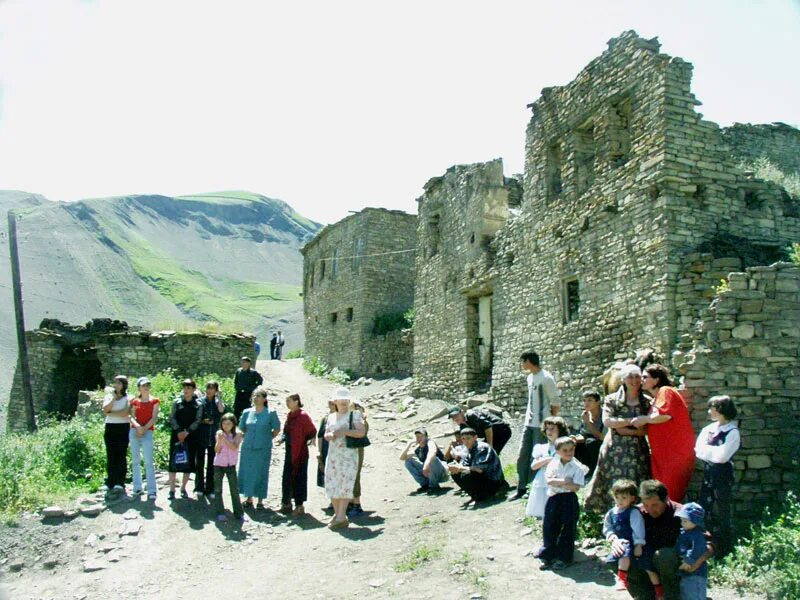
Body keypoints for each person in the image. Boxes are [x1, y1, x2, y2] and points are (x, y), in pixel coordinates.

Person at [622, 480, 713, 600]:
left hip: (674, 568)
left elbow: (709, 544)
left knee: (664, 555)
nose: (650, 509)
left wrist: (695, 563)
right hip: (647, 565)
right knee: (620, 553)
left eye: (655, 505)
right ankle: (644, 595)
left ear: (665, 500)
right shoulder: (637, 513)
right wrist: (616, 542)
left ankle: (673, 596)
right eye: (646, 505)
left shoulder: (682, 515)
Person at [584, 364, 651, 513]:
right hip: (615, 451)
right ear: (623, 380)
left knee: (636, 483)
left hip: (637, 451)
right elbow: (608, 421)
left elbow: (648, 428)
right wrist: (633, 421)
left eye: (637, 377)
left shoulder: (646, 401)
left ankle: (637, 518)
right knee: (614, 483)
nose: (634, 380)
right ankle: (611, 518)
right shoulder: (612, 400)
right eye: (630, 377)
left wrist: (623, 429)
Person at [632, 364, 695, 503]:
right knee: (663, 491)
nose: (640, 380)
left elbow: (664, 416)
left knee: (671, 492)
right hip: (662, 453)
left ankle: (673, 522)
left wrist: (644, 419)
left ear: (656, 380)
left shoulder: (666, 391)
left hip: (674, 452)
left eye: (645, 377)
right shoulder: (655, 398)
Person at [511, 351, 561, 501]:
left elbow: (555, 402)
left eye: (523, 361)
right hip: (529, 422)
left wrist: (549, 422)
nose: (522, 365)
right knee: (523, 455)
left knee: (537, 456)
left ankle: (532, 489)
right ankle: (521, 487)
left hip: (541, 424)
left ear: (528, 361)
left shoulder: (546, 378)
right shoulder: (530, 378)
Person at [694, 395, 740, 557]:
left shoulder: (732, 432)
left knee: (722, 509)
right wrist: (713, 453)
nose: (709, 411)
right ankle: (705, 546)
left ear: (720, 410)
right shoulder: (709, 429)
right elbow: (698, 451)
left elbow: (723, 457)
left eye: (712, 408)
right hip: (709, 474)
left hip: (722, 475)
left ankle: (723, 548)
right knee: (705, 507)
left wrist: (710, 452)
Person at [603, 479, 663, 598]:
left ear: (632, 498)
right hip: (622, 543)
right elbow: (607, 527)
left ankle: (658, 590)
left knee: (648, 567)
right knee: (616, 557)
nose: (620, 501)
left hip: (634, 543)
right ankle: (623, 579)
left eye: (624, 498)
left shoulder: (633, 512)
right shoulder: (611, 513)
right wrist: (612, 537)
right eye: (617, 497)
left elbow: (638, 528)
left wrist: (638, 544)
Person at [537, 437, 586, 571]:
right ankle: (547, 555)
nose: (569, 452)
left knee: (568, 527)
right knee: (550, 525)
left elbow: (576, 487)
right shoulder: (553, 463)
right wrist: (565, 481)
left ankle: (564, 557)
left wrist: (559, 482)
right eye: (565, 450)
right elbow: (549, 481)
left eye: (571, 449)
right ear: (557, 451)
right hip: (554, 497)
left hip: (569, 498)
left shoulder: (577, 467)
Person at [324, 388, 366, 530]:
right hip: (334, 454)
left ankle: (341, 516)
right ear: (335, 402)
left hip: (348, 455)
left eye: (345, 401)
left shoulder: (355, 415)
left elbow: (361, 432)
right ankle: (338, 515)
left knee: (345, 483)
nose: (342, 403)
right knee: (332, 483)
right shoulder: (331, 417)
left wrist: (345, 431)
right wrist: (329, 436)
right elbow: (326, 433)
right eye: (340, 400)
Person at [238, 386, 281, 509]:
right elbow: (242, 428)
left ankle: (260, 500)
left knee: (261, 472)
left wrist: (267, 438)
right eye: (254, 396)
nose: (255, 398)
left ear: (264, 399)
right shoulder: (247, 412)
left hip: (263, 448)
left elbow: (276, 429)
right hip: (248, 447)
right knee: (248, 472)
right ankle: (249, 498)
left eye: (258, 396)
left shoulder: (270, 413)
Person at [447, 428, 508, 504]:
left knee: (466, 474)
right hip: (482, 478)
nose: (466, 441)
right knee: (455, 473)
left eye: (468, 438)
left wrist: (460, 468)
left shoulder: (482, 447)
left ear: (475, 437)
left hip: (493, 480)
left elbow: (479, 469)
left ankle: (482, 496)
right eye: (463, 439)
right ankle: (475, 496)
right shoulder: (470, 448)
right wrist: (455, 467)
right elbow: (465, 464)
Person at [280, 394, 317, 516]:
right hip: (289, 451)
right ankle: (286, 503)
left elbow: (312, 430)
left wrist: (306, 440)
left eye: (289, 401)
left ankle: (299, 505)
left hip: (300, 452)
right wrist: (283, 438)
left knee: (299, 478)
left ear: (296, 402)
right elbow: (286, 431)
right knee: (287, 476)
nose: (287, 403)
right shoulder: (290, 415)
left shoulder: (303, 416)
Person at [525, 416, 569, 519]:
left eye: (553, 429)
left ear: (560, 430)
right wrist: (548, 459)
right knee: (543, 511)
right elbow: (534, 466)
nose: (549, 431)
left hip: (558, 480)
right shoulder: (541, 447)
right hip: (542, 481)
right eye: (547, 428)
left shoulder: (565, 447)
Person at [168, 379, 202, 500]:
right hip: (176, 435)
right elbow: (171, 417)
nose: (186, 390)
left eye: (189, 388)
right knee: (173, 462)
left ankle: (183, 488)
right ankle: (172, 489)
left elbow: (198, 420)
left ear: (193, 390)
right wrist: (178, 431)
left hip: (191, 436)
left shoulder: (198, 404)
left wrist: (187, 432)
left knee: (188, 462)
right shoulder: (176, 402)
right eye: (185, 387)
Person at [129, 377, 160, 500]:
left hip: (147, 431)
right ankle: (137, 487)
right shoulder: (135, 402)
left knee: (148, 461)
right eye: (143, 385)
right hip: (134, 431)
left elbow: (154, 418)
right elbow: (130, 416)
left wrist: (143, 429)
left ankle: (151, 490)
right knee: (135, 460)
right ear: (139, 388)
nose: (146, 387)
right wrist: (137, 427)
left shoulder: (155, 401)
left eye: (148, 385)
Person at [195, 381, 225, 498]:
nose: (210, 390)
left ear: (216, 390)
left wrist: (220, 397)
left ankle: (210, 488)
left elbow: (222, 411)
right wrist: (204, 421)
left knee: (213, 463)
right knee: (200, 462)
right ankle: (199, 487)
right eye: (208, 388)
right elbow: (196, 417)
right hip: (201, 435)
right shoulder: (200, 401)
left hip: (214, 436)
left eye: (212, 388)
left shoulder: (218, 402)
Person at [102, 375, 131, 496]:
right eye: (116, 383)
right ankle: (111, 481)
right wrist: (113, 399)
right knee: (111, 453)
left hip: (123, 427)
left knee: (121, 453)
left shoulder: (129, 397)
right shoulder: (109, 396)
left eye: (119, 383)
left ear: (124, 385)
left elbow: (125, 413)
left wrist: (111, 412)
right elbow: (105, 410)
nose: (117, 385)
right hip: (110, 427)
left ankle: (120, 481)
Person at [213, 413, 244, 523]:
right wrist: (219, 441)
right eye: (224, 423)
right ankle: (220, 512)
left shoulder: (238, 434)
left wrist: (225, 439)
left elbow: (234, 447)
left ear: (233, 424)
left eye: (228, 424)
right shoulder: (219, 433)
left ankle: (239, 513)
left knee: (234, 489)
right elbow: (217, 450)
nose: (225, 426)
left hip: (231, 465)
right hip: (219, 464)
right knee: (217, 489)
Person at [674, 503, 708, 600]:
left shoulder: (697, 535)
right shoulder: (685, 532)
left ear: (696, 521)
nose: (682, 523)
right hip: (686, 572)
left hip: (696, 573)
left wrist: (689, 560)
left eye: (685, 521)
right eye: (681, 520)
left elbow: (698, 549)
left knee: (695, 595)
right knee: (687, 594)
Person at [400, 427, 449, 493]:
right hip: (429, 473)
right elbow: (402, 458)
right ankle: (425, 485)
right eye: (417, 437)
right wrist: (409, 444)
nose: (418, 438)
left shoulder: (430, 442)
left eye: (421, 436)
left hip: (442, 472)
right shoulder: (418, 449)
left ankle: (434, 486)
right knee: (408, 462)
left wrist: (426, 465)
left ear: (426, 437)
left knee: (432, 459)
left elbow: (432, 452)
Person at [448, 406, 512, 455]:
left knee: (490, 453)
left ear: (462, 412)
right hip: (492, 435)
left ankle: (495, 470)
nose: (455, 418)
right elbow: (468, 439)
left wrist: (490, 445)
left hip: (502, 430)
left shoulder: (471, 415)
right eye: (452, 417)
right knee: (483, 452)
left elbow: (487, 426)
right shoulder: (463, 426)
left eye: (456, 415)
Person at [572, 390, 606, 477]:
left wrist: (588, 422)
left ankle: (593, 471)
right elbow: (584, 435)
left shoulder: (605, 415)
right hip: (589, 442)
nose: (586, 403)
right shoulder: (586, 414)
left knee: (591, 442)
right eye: (584, 400)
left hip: (603, 444)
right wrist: (574, 439)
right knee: (571, 443)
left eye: (590, 400)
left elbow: (602, 437)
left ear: (598, 402)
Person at [348, 400, 369, 518]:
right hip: (349, 450)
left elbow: (362, 433)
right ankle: (350, 502)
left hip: (356, 450)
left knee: (355, 475)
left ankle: (356, 504)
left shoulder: (361, 420)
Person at [233, 357, 264, 421]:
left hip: (248, 393)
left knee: (247, 408)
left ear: (248, 363)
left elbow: (260, 380)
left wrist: (253, 388)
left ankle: (247, 422)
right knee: (237, 408)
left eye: (244, 362)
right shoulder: (239, 371)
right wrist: (236, 387)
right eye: (242, 362)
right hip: (239, 393)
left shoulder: (253, 372)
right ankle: (235, 423)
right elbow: (236, 380)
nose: (243, 363)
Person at [317, 400, 336, 496]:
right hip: (325, 448)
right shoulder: (325, 419)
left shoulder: (341, 417)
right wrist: (319, 451)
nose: (331, 405)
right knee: (327, 473)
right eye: (330, 403)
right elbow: (320, 435)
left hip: (337, 449)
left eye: (333, 403)